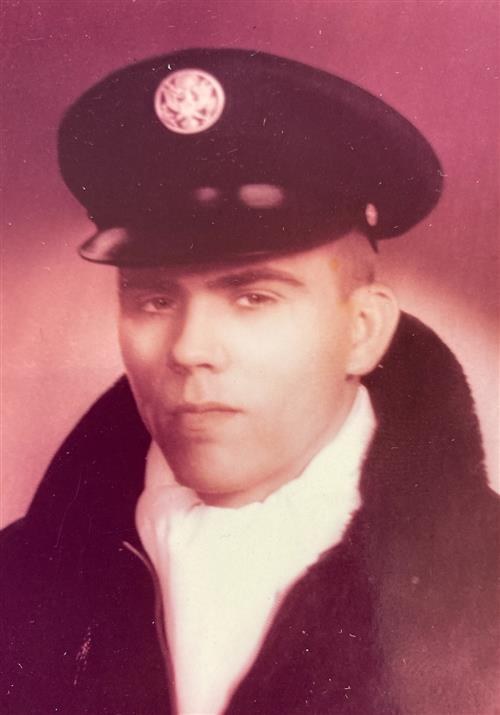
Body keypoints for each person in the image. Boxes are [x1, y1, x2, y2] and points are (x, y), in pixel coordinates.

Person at [1, 48, 498, 715]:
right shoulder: (16, 579)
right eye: (154, 300)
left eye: (253, 297)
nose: (189, 349)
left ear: (362, 330)